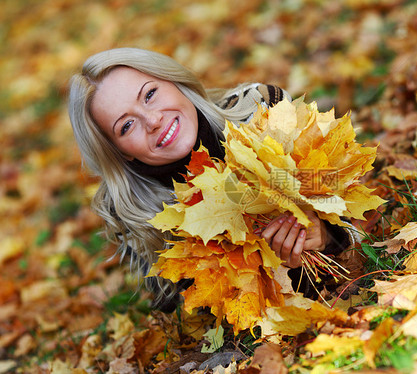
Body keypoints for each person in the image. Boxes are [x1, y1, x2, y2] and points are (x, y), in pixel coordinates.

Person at [68, 48, 357, 312]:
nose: (153, 119)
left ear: (175, 82)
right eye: (126, 125)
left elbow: (349, 201)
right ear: (119, 152)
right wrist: (276, 273)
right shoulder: (135, 214)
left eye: (149, 94)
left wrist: (327, 236)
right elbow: (193, 309)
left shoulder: (261, 112)